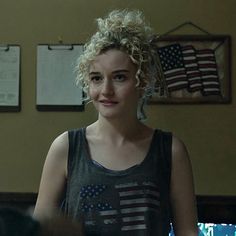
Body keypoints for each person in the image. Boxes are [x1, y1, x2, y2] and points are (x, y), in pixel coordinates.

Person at [34, 9, 198, 235]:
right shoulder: (66, 147)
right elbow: (37, 231)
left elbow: (187, 232)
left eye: (120, 77)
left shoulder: (170, 150)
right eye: (96, 78)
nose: (106, 90)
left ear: (142, 81)